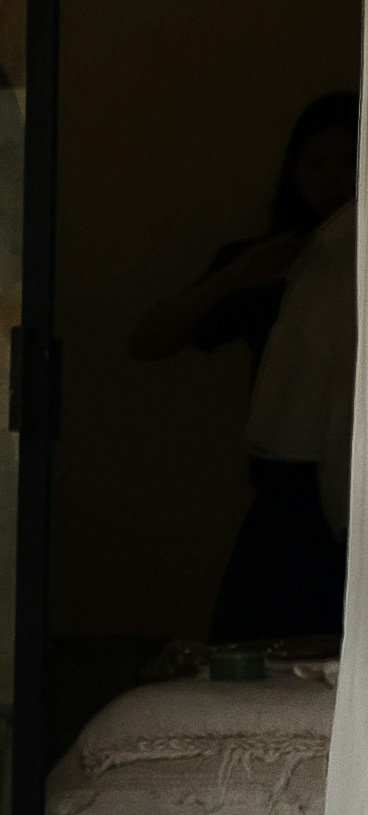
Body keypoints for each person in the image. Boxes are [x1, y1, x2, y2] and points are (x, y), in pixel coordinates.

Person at [135, 86, 356, 639]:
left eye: (350, 161)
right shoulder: (270, 261)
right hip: (289, 503)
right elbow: (148, 340)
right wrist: (235, 278)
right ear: (293, 172)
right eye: (315, 163)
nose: (334, 177)